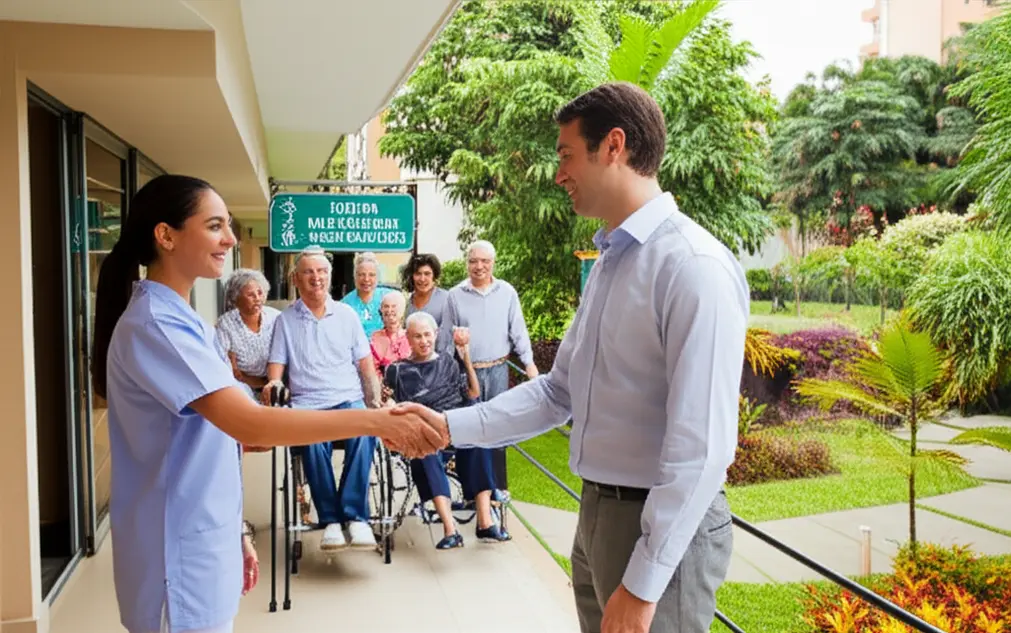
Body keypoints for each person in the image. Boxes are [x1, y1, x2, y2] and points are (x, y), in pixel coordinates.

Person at [396, 82, 748, 633]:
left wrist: (645, 581)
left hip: (655, 528)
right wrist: (445, 426)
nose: (558, 174)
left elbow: (701, 449)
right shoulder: (611, 262)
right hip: (598, 516)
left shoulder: (691, 266)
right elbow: (560, 392)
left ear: (614, 146)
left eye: (565, 156)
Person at [92, 174, 440, 633]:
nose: (230, 239)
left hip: (201, 540)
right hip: (175, 561)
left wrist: (233, 529)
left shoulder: (184, 320)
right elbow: (251, 425)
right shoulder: (157, 326)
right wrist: (381, 422)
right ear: (166, 235)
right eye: (215, 226)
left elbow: (209, 435)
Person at [264, 246, 385, 551]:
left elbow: (365, 365)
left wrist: (374, 403)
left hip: (348, 398)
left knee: (365, 430)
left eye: (321, 272)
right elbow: (276, 368)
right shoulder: (285, 321)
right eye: (308, 272)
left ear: (329, 277)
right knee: (312, 439)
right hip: (308, 403)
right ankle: (331, 519)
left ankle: (355, 516)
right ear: (296, 278)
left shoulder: (347, 315)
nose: (315, 278)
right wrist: (275, 382)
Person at [385, 312, 509, 548]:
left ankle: (485, 522)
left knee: (479, 438)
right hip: (423, 433)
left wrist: (466, 357)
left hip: (454, 425)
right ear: (407, 339)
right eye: (417, 336)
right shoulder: (397, 370)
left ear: (436, 335)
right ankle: (450, 528)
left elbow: (472, 393)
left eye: (427, 335)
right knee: (426, 449)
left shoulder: (448, 362)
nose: (423, 341)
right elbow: (387, 402)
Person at [437, 239, 538, 489]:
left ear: (493, 263)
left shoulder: (507, 292)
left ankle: (497, 491)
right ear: (467, 264)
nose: (478, 266)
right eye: (473, 261)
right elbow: (446, 336)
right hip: (466, 372)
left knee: (498, 429)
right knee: (468, 431)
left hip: (498, 371)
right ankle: (471, 492)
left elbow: (518, 331)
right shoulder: (455, 295)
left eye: (484, 261)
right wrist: (442, 373)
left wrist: (529, 364)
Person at [215, 268, 280, 392]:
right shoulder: (226, 324)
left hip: (276, 383)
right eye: (251, 295)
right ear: (236, 297)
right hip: (241, 386)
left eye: (260, 293)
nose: (257, 298)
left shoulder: (276, 317)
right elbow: (226, 365)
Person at [341, 251, 390, 338]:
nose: (366, 279)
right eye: (361, 275)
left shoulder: (388, 298)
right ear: (355, 276)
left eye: (371, 275)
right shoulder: (345, 304)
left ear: (378, 277)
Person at [370, 290, 410, 378]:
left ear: (402, 310)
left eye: (394, 306)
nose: (389, 310)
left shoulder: (410, 336)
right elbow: (372, 369)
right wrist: (382, 386)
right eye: (386, 306)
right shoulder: (376, 337)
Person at [402, 253, 450, 325]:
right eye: (418, 274)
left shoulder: (447, 299)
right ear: (412, 276)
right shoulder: (406, 303)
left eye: (427, 274)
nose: (422, 279)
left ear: (434, 275)